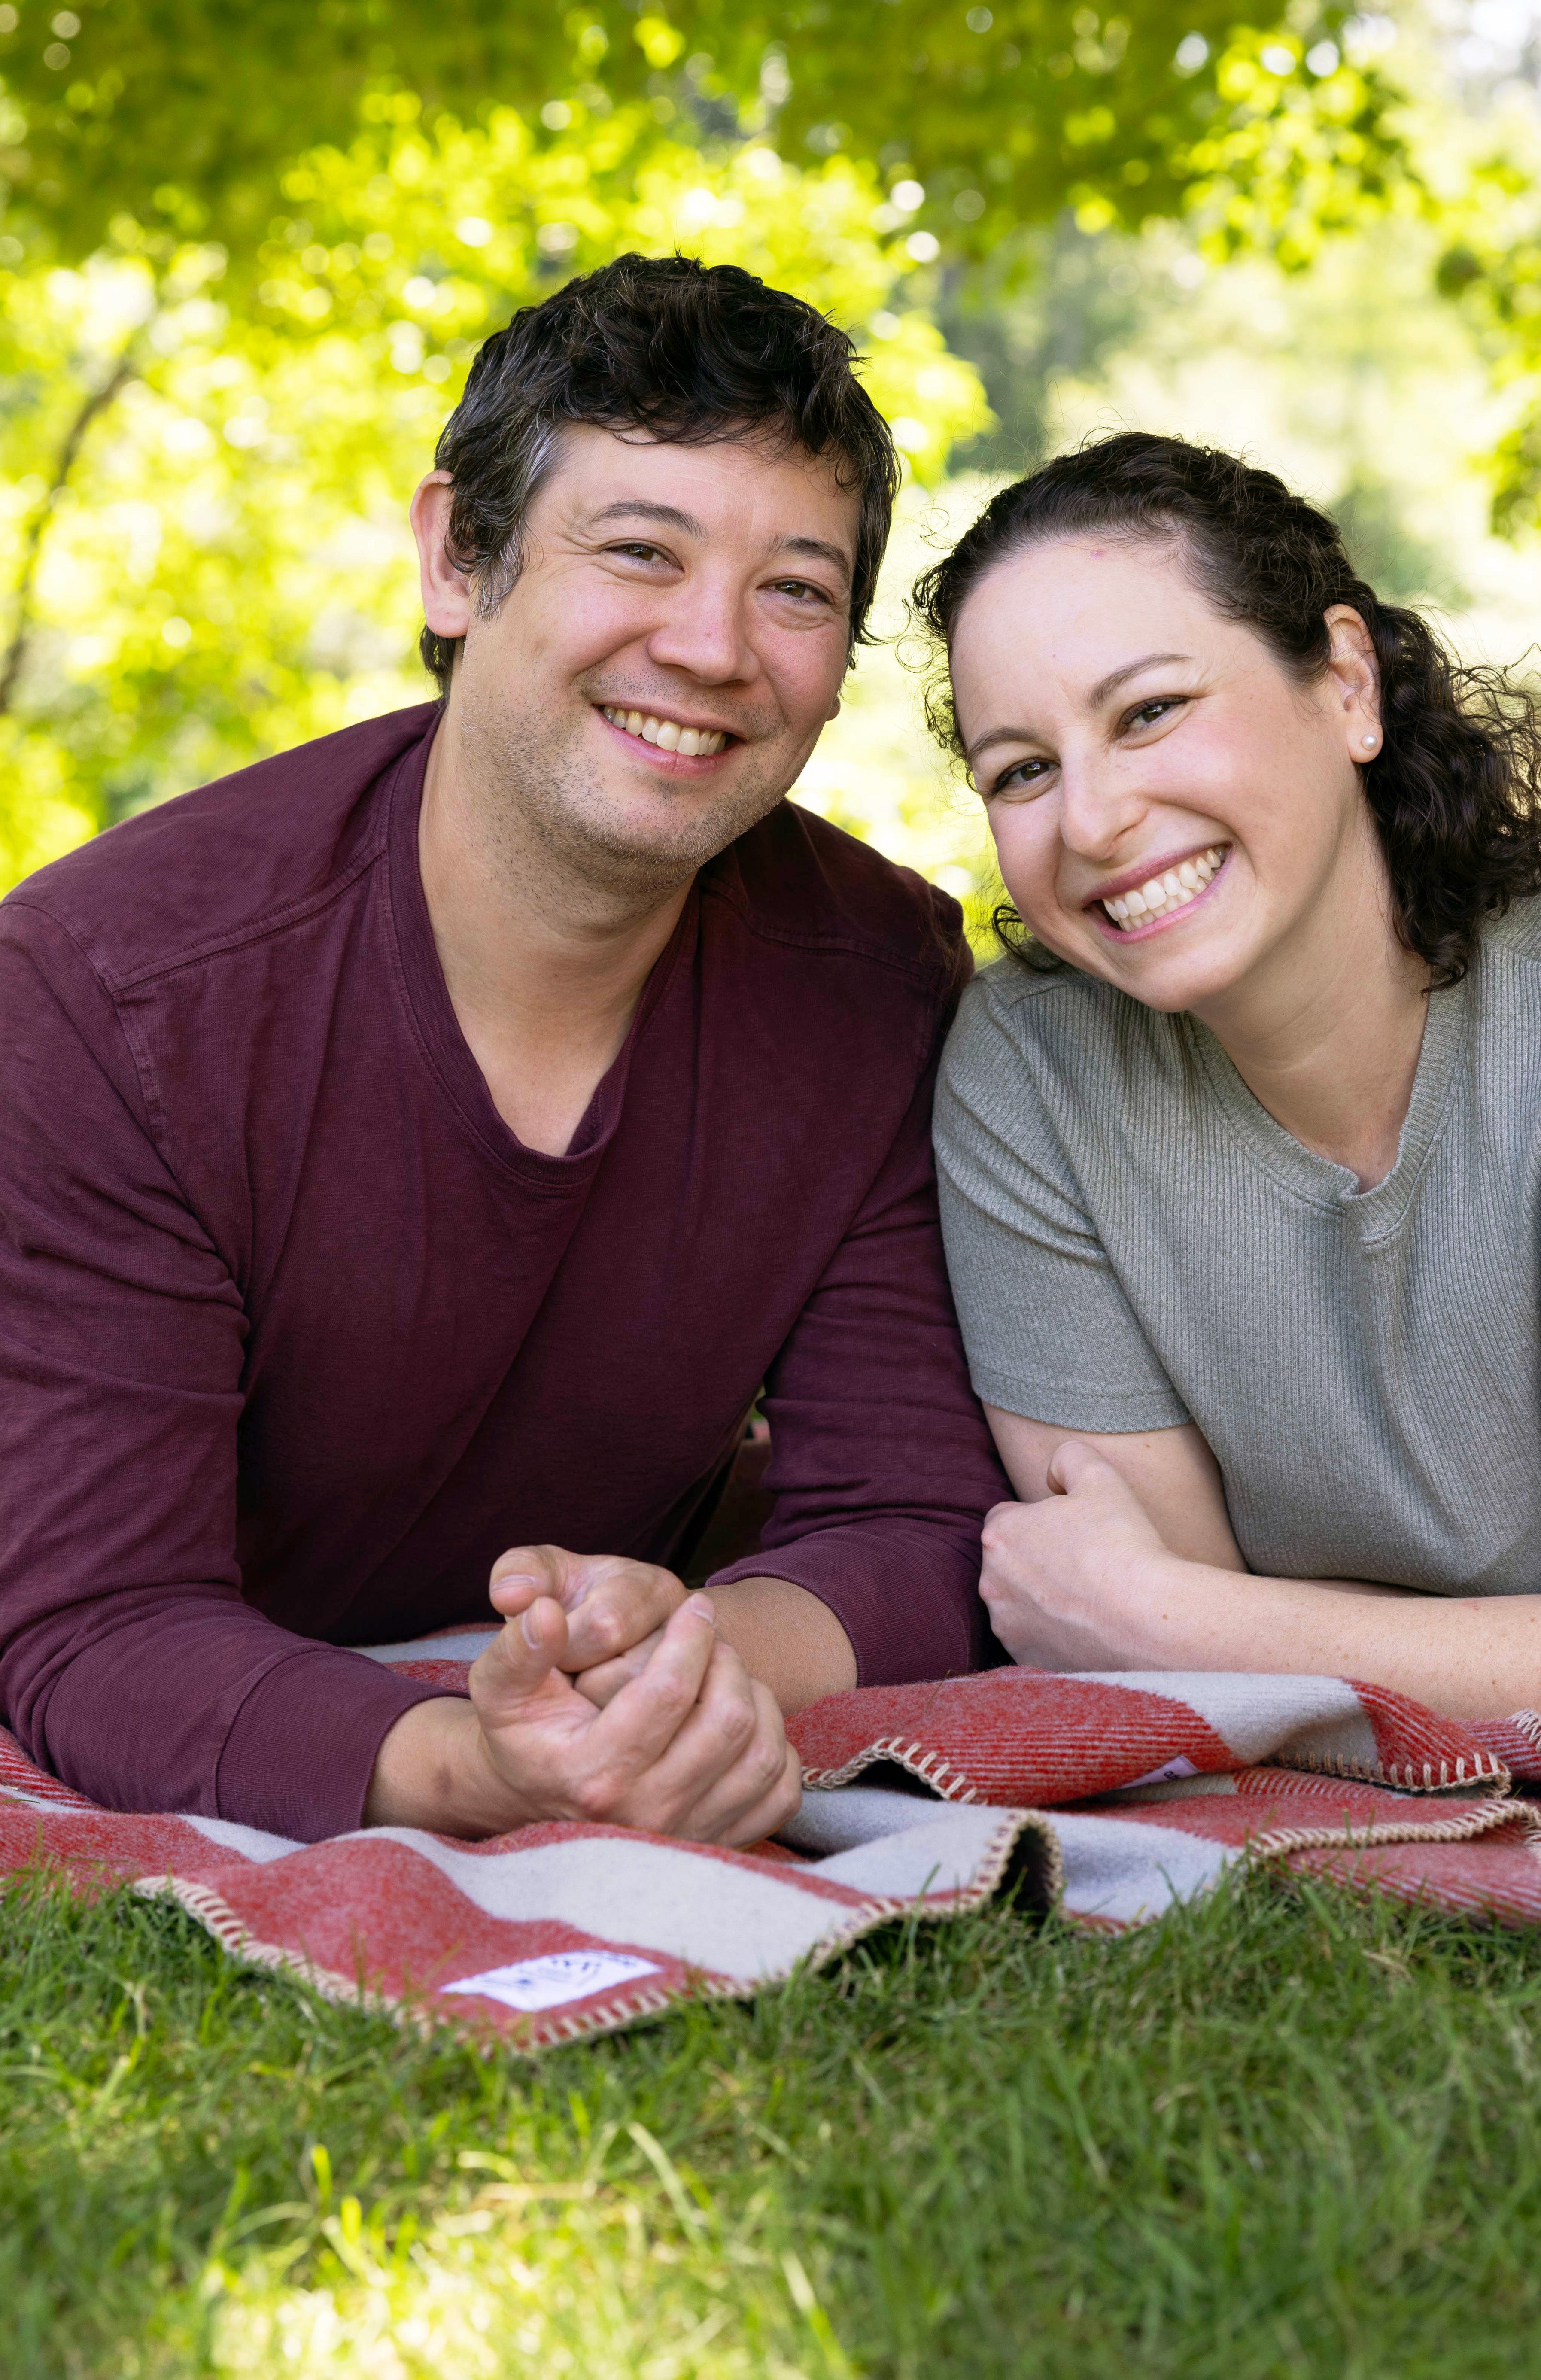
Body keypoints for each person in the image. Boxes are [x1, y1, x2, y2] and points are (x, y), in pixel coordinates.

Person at [0, 253, 1008, 1845]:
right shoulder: (106, 993)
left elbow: (914, 1514)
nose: (713, 647)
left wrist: (686, 1678)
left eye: (797, 591)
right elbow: (97, 1623)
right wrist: (485, 1771)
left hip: (579, 1653)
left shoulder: (876, 980)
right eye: (641, 551)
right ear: (458, 558)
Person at [923, 430, 1541, 1751]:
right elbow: (1195, 1661)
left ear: (1345, 683)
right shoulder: (1027, 1073)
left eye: (1150, 711)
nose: (1092, 822)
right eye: (1022, 770)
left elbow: (1155, 1627)